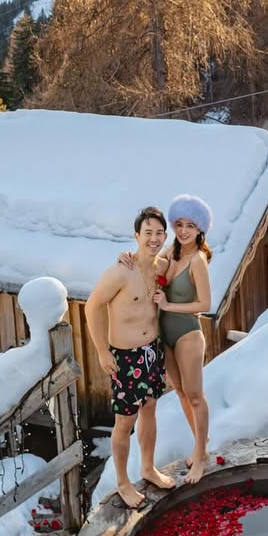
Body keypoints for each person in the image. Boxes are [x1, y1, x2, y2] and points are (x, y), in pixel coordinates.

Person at [85, 206, 175, 509]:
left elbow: (191, 247)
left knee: (150, 409)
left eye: (159, 233)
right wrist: (100, 350)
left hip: (153, 352)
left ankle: (147, 468)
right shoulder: (120, 271)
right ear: (136, 236)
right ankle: (123, 482)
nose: (153, 238)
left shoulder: (161, 267)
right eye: (147, 233)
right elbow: (92, 306)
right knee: (125, 421)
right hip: (125, 357)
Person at [154, 194, 213, 485]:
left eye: (190, 225)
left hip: (187, 333)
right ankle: (199, 444)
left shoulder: (197, 260)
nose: (184, 231)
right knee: (178, 392)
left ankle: (201, 456)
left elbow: (204, 304)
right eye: (179, 224)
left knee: (194, 396)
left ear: (200, 229)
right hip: (165, 334)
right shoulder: (170, 252)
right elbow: (149, 265)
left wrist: (168, 306)